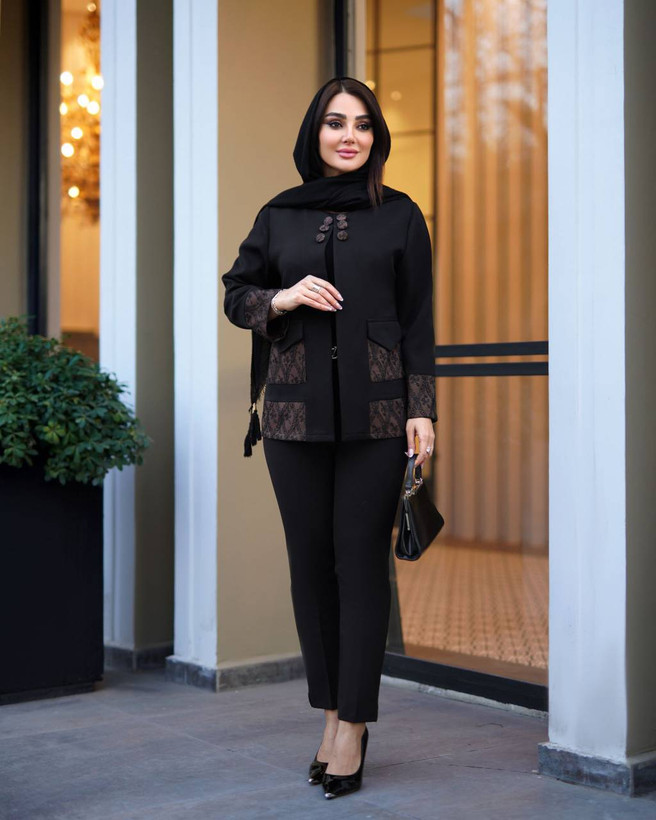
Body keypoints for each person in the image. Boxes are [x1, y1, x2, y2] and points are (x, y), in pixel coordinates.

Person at [221, 76, 437, 800]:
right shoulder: (278, 215)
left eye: (364, 125)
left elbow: (418, 320)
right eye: (337, 123)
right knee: (310, 568)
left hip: (378, 418)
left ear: (377, 137)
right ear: (314, 133)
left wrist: (423, 409)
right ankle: (331, 715)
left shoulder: (400, 215)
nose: (350, 136)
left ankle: (355, 725)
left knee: (360, 566)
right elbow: (236, 294)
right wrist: (281, 297)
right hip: (293, 419)